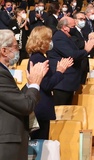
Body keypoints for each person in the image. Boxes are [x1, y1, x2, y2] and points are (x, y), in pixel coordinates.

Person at [0, 29, 49, 160]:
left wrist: (29, 85)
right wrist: (35, 84)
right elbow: (25, 105)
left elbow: (12, 99)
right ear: (4, 51)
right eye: (16, 47)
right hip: (6, 144)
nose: (19, 50)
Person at [26, 26, 73, 139]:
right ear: (43, 41)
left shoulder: (37, 57)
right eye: (49, 39)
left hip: (39, 106)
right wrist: (60, 71)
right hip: (40, 107)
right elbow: (46, 85)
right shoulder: (39, 59)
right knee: (40, 143)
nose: (51, 42)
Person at [47, 16, 94, 105]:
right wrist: (86, 50)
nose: (75, 29)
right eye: (73, 27)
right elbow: (72, 54)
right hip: (62, 82)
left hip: (69, 82)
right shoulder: (59, 37)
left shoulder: (68, 37)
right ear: (65, 28)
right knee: (61, 111)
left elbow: (78, 46)